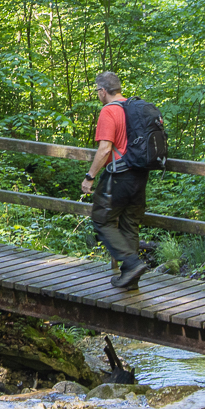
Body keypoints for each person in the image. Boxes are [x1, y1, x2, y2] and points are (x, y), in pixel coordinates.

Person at [79, 71, 149, 289]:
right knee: (129, 224)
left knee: (101, 219)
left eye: (96, 91)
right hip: (140, 174)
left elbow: (105, 149)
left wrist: (89, 177)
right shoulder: (134, 108)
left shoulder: (109, 112)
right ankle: (130, 279)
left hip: (119, 175)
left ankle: (131, 263)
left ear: (102, 91)